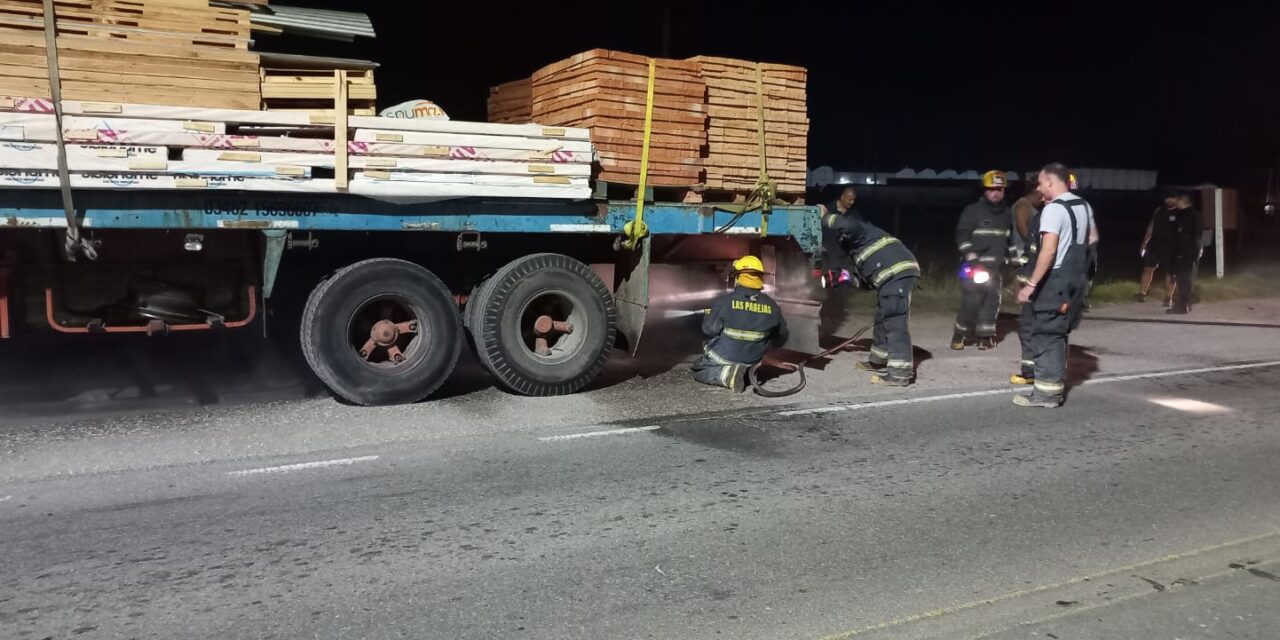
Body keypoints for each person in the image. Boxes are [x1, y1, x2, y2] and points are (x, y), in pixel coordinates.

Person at [1014, 163, 1099, 408]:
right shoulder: (1082, 206)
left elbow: (1048, 250)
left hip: (1056, 281)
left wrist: (1031, 284)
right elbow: (1090, 241)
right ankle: (1053, 385)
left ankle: (1046, 394)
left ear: (1051, 182)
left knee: (1047, 335)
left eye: (1040, 183)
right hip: (1076, 280)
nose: (1039, 189)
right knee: (1060, 334)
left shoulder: (1052, 210)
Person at [822, 207, 920, 386]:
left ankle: (900, 374)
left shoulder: (861, 232)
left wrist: (825, 218)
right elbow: (866, 283)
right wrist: (845, 279)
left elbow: (848, 225)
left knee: (894, 319)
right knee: (882, 316)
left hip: (897, 273)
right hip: (891, 277)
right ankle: (878, 360)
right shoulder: (859, 254)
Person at [691, 255, 789, 392]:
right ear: (760, 278)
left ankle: (728, 375)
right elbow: (781, 335)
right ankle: (746, 371)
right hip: (754, 359)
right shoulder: (772, 305)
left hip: (726, 356)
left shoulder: (724, 301)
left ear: (738, 278)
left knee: (699, 369)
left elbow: (709, 330)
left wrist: (710, 316)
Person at [952, 170, 1014, 350]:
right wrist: (970, 256)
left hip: (995, 268)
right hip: (973, 267)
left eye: (999, 189)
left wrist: (1012, 258)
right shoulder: (972, 211)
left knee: (991, 301)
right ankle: (959, 335)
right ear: (984, 191)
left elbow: (1008, 240)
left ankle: (985, 336)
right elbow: (962, 237)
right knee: (971, 301)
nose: (995, 193)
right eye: (991, 189)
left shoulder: (1007, 214)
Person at [1010, 185, 1045, 386]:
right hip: (1026, 260)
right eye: (1039, 195)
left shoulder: (1037, 210)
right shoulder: (1023, 206)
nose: (1041, 200)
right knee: (1028, 315)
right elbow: (1025, 232)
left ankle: (1031, 369)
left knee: (1029, 319)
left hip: (1031, 263)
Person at [1136, 193, 1180, 307]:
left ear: (1177, 199)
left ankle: (1168, 297)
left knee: (1170, 272)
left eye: (1172, 197)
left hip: (1171, 247)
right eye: (1167, 197)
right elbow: (1151, 226)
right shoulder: (1159, 210)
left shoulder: (1180, 213)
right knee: (1147, 268)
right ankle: (1142, 294)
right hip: (1155, 245)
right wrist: (1144, 242)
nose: (1169, 200)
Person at [1167, 191, 1204, 315]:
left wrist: (1194, 252)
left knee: (1184, 279)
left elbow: (1195, 235)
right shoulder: (1182, 214)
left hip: (1187, 252)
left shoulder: (1192, 215)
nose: (1176, 202)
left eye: (1177, 200)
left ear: (1183, 201)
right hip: (1181, 251)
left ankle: (1183, 305)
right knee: (1181, 278)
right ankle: (1184, 303)